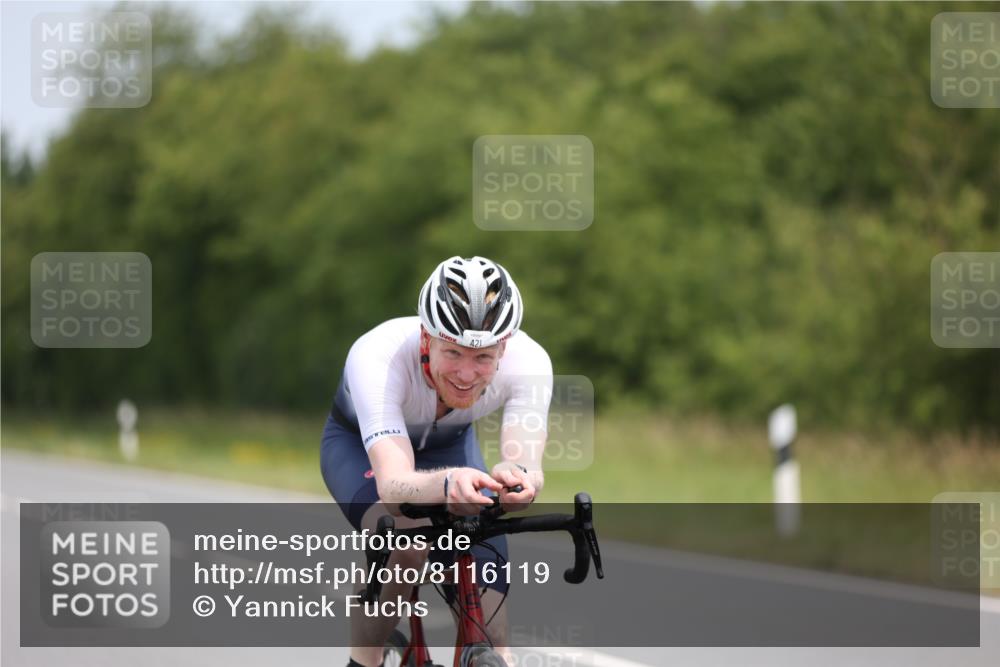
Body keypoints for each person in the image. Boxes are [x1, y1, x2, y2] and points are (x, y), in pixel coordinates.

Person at [321, 255, 553, 667]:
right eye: (454, 353)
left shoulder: (530, 363)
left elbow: (523, 458)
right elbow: (394, 487)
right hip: (361, 448)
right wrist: (448, 486)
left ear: (504, 346)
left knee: (494, 623)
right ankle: (364, 659)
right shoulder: (380, 355)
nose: (466, 374)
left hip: (451, 448)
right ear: (427, 338)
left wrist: (518, 481)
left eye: (483, 358)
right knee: (405, 543)